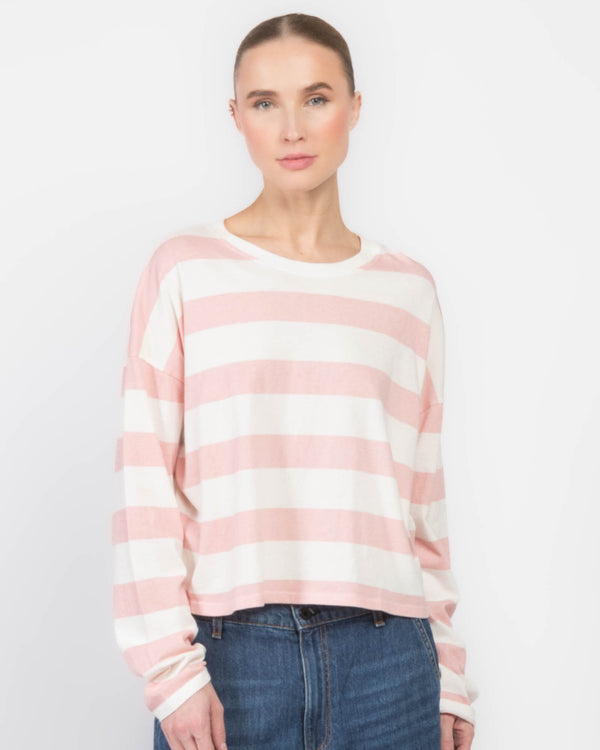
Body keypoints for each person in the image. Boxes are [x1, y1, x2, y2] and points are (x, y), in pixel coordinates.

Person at [112, 12, 478, 750]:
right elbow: (144, 483)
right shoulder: (185, 270)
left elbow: (422, 504)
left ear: (355, 106)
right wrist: (171, 671)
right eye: (264, 102)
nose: (291, 129)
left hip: (390, 661)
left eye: (315, 98)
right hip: (230, 659)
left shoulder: (408, 291)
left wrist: (447, 672)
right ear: (236, 116)